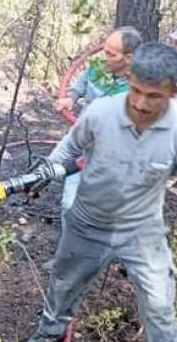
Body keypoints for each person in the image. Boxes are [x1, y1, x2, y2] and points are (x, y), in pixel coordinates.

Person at [24, 42, 177, 342]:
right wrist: (45, 172)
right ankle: (46, 336)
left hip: (142, 229)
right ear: (129, 78)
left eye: (153, 96)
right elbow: (68, 149)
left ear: (175, 91)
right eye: (136, 90)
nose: (141, 103)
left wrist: (158, 173)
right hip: (88, 222)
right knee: (64, 285)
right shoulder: (101, 112)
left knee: (159, 302)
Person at [52, 27, 143, 215]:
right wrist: (71, 98)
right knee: (49, 169)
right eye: (104, 50)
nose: (103, 56)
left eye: (110, 54)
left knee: (71, 206)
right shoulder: (98, 66)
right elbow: (80, 87)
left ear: (129, 58)